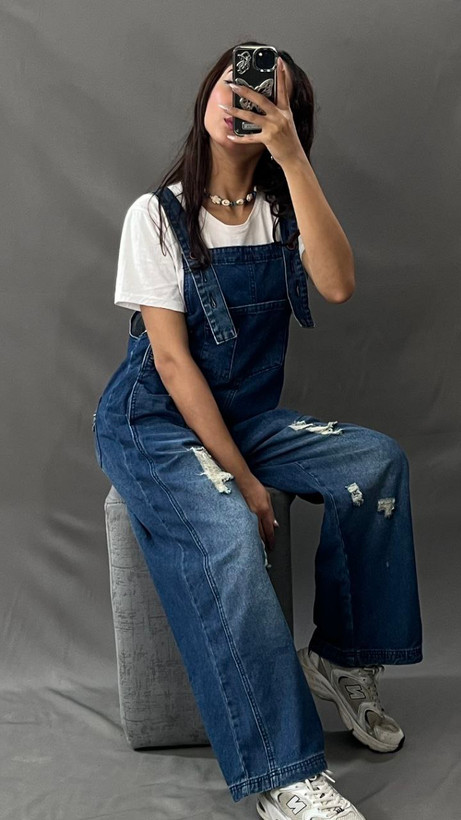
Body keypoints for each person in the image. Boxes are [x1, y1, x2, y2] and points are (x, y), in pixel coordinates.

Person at [92, 41, 423, 820]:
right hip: (152, 422)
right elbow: (171, 363)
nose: (239, 98)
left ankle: (341, 660)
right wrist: (242, 480)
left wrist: (293, 159)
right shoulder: (157, 215)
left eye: (264, 91)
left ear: (286, 115)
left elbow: (337, 285)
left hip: (245, 414)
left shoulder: (282, 207)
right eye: (229, 81)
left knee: (374, 462)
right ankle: (283, 774)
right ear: (206, 94)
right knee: (229, 530)